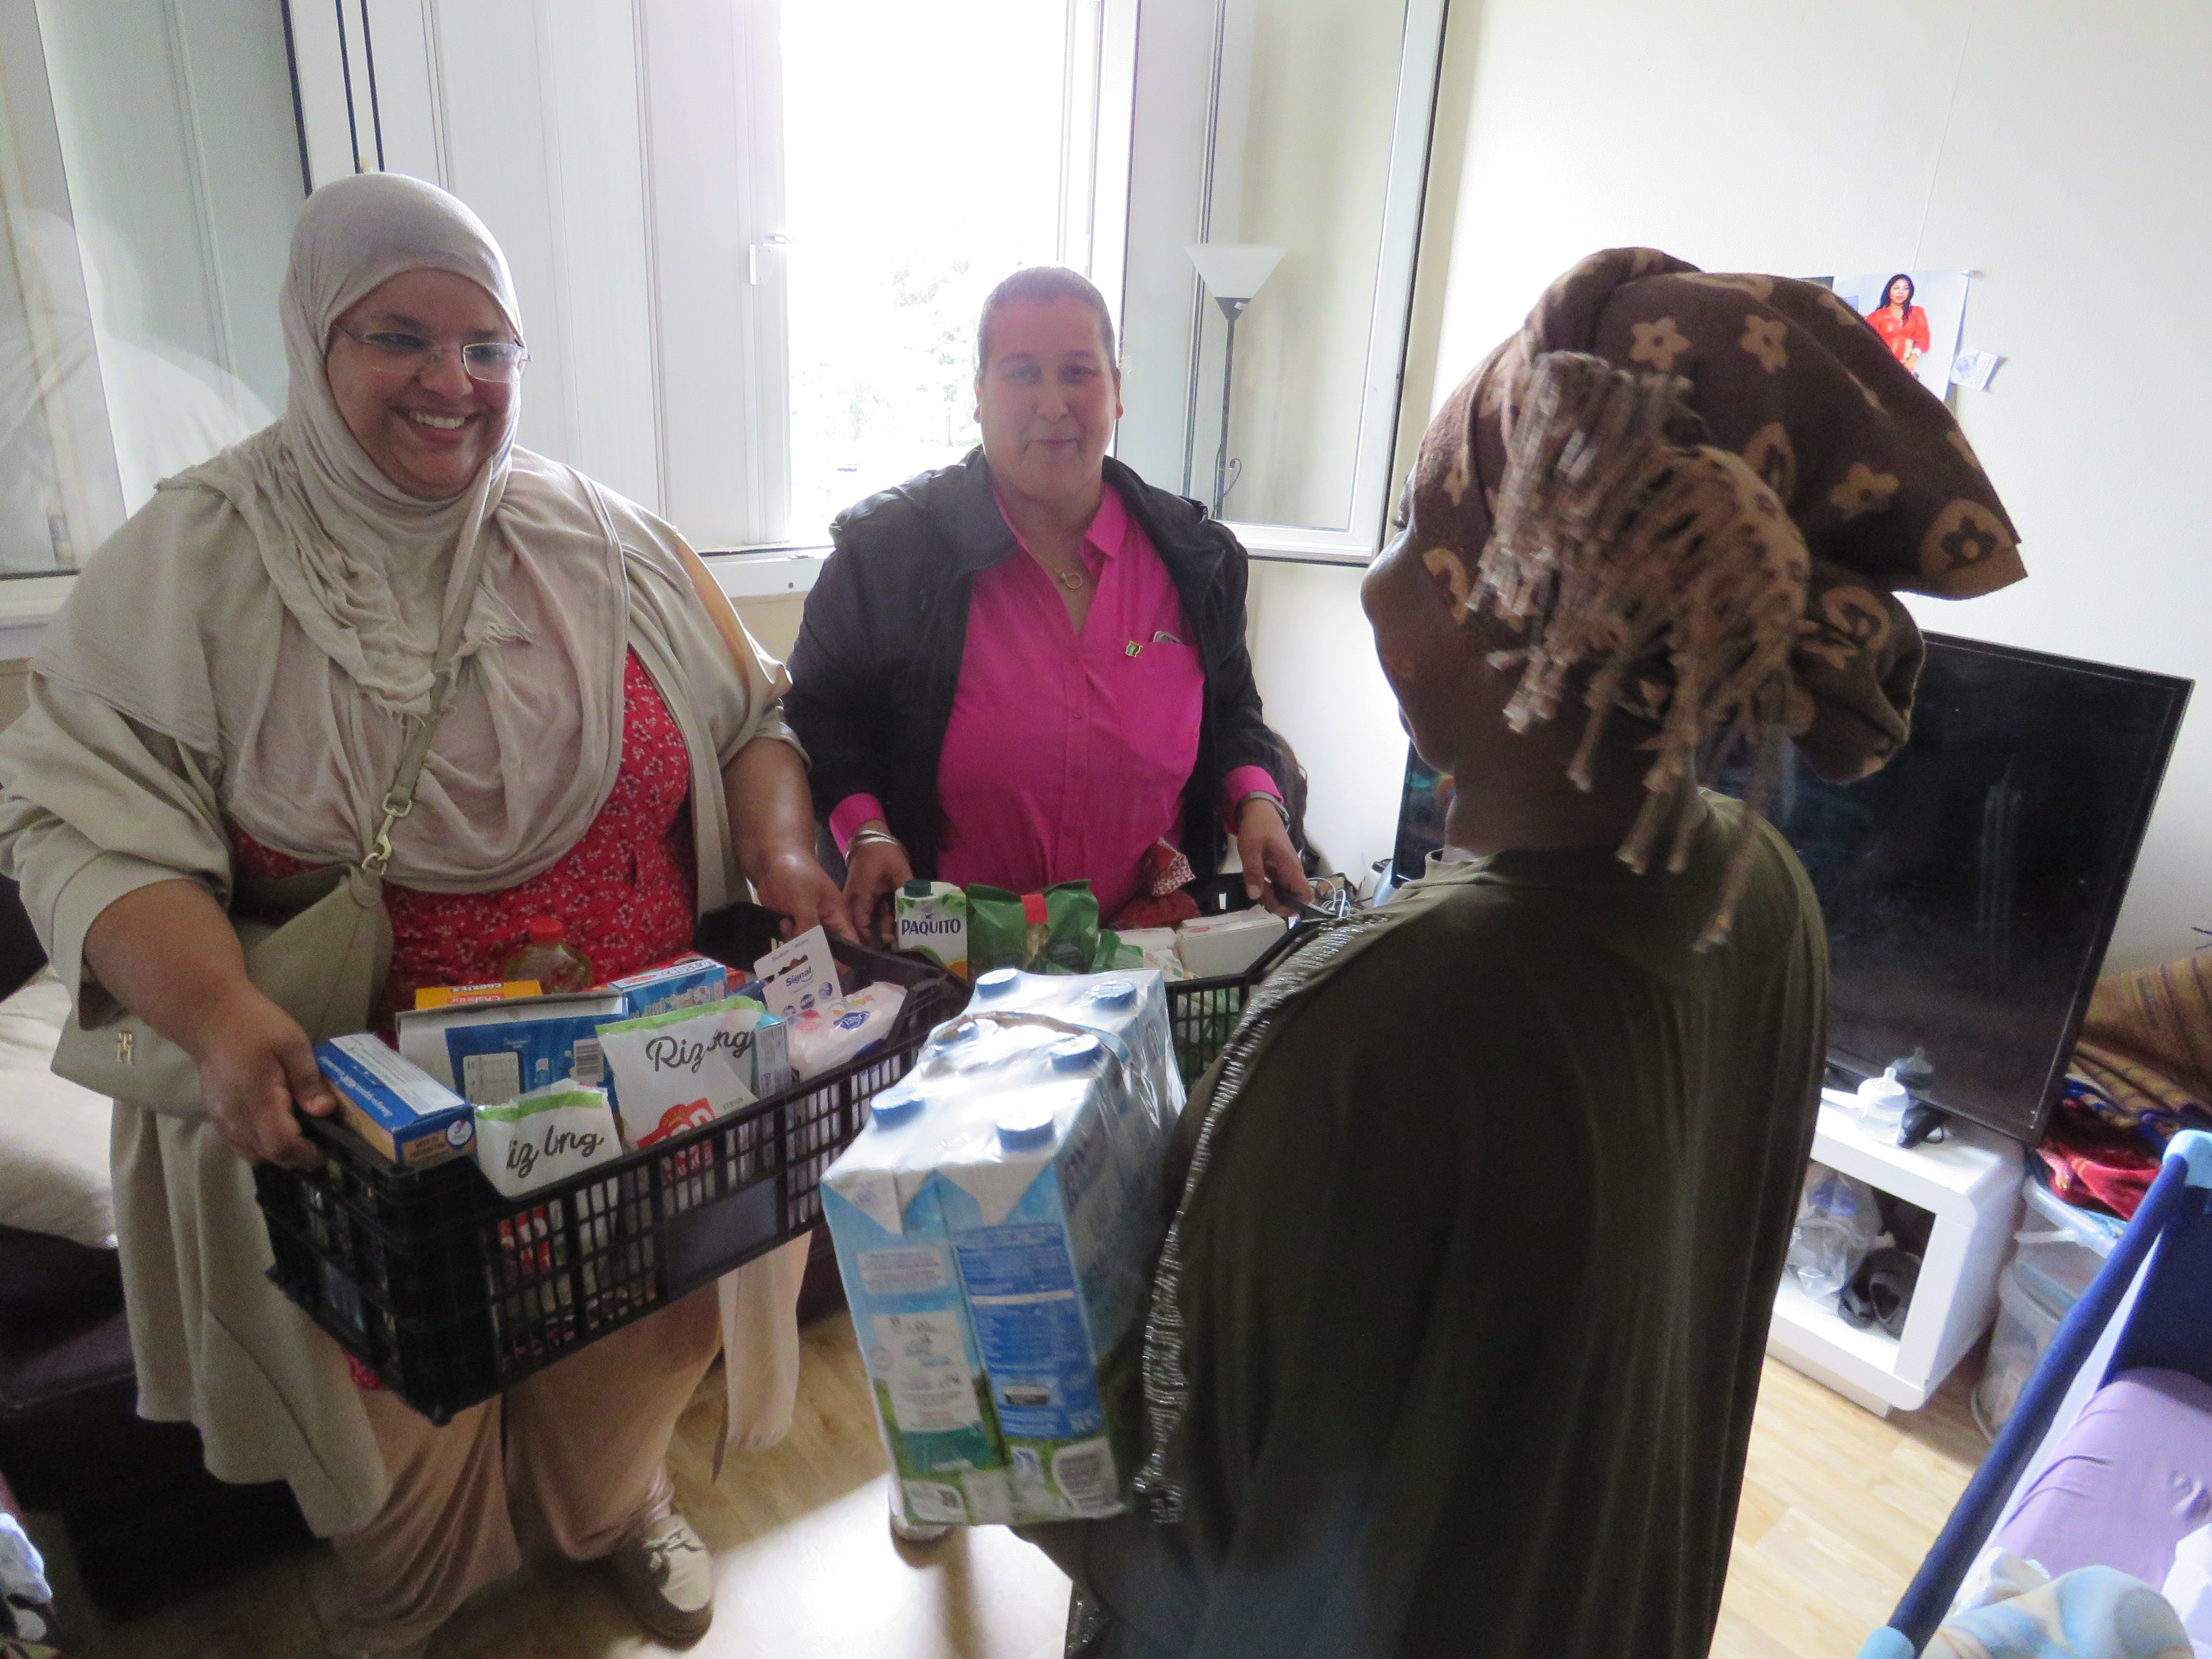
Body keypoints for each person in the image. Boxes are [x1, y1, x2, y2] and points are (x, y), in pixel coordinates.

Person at [1021, 248, 2025, 1659]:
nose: (1377, 568)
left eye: (1419, 505)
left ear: (1511, 602)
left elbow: (1211, 1568)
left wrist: (988, 1417)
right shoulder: (1762, 892)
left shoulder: (1393, 1022)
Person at [0, 173, 850, 1655]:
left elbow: (749, 720)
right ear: (315, 340)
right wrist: (217, 1014)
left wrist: (783, 853)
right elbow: (81, 821)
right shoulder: (195, 563)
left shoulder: (608, 539)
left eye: (490, 347)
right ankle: (410, 1610)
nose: (453, 382)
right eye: (400, 336)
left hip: (645, 1104)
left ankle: (608, 1511)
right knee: (393, 1427)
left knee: (649, 1335)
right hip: (375, 1153)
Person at [784, 266, 1311, 947]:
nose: (1054, 403)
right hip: (944, 962)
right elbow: (819, 717)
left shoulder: (1196, 560)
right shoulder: (887, 553)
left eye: (1078, 372)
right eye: (1022, 374)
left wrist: (1258, 801)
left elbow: (1232, 710)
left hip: (1140, 953)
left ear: (1117, 392)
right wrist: (866, 833)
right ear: (978, 395)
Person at [1866, 271, 1931, 370]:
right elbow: (1868, 343)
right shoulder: (1877, 316)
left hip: (1906, 368)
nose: (1901, 292)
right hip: (1881, 367)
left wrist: (1911, 362)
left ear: (1910, 292)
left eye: (1906, 288)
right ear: (1889, 292)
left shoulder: (1917, 312)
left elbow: (1924, 340)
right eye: (1896, 288)